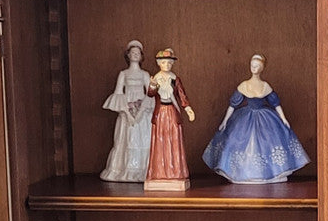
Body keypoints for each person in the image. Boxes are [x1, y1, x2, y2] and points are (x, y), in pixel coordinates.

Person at [202, 53, 309, 183]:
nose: (254, 68)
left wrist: (283, 119)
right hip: (245, 118)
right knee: (238, 140)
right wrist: (225, 121)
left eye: (257, 66)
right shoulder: (244, 85)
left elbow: (276, 104)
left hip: (265, 118)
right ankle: (243, 173)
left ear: (262, 68)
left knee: (268, 142)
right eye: (253, 65)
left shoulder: (265, 86)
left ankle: (270, 174)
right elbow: (232, 105)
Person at [100, 40, 152, 182]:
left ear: (141, 56)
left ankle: (143, 169)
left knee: (143, 138)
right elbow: (118, 93)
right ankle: (123, 169)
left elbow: (150, 94)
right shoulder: (123, 74)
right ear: (128, 55)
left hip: (142, 111)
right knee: (126, 137)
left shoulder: (145, 74)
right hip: (127, 109)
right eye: (132, 52)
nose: (135, 55)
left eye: (138, 53)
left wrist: (141, 111)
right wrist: (127, 112)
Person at [144, 48, 195, 191]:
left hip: (172, 112)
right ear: (159, 63)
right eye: (164, 62)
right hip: (160, 113)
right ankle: (159, 171)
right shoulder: (156, 78)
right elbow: (150, 94)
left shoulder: (174, 79)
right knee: (160, 140)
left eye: (169, 63)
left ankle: (175, 171)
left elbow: (181, 95)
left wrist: (188, 108)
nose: (167, 65)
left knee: (173, 140)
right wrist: (153, 85)